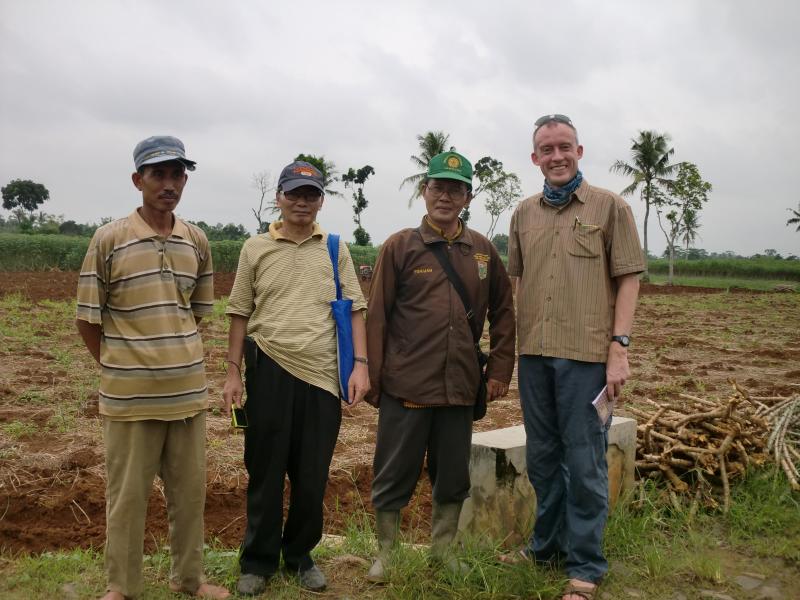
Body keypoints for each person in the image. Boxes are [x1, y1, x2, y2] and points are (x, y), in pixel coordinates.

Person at [75, 136, 230, 599]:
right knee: (127, 498)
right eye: (158, 174)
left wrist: (171, 354)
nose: (169, 184)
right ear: (137, 179)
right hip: (129, 399)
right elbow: (88, 319)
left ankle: (191, 579)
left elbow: (198, 313)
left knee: (189, 496)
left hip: (187, 395)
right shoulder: (109, 238)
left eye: (177, 174)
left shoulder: (196, 240)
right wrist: (120, 364)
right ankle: (121, 587)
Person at [505, 114, 645, 600]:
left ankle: (585, 566)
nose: (557, 155)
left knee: (584, 462)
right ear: (535, 158)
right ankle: (546, 547)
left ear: (579, 151)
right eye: (547, 149)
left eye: (565, 146)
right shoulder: (523, 213)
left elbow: (629, 276)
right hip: (536, 357)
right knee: (543, 460)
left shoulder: (610, 208)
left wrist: (619, 348)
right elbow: (517, 280)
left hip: (587, 359)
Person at [365, 151, 516, 582]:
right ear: (424, 190)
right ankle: (387, 555)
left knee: (452, 474)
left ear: (468, 196)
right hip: (407, 384)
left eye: (455, 188)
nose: (445, 196)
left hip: (460, 387)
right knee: (394, 471)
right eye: (438, 187)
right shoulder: (400, 246)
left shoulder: (483, 251)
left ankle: (443, 552)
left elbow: (504, 311)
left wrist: (501, 370)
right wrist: (374, 381)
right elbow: (377, 316)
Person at [222, 160, 370, 596]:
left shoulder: (335, 248)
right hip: (267, 368)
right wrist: (232, 373)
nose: (302, 202)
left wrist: (360, 364)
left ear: (320, 201)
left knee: (312, 475)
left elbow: (356, 308)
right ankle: (258, 561)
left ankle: (301, 555)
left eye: (311, 195)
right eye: (294, 194)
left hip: (323, 376)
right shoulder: (255, 248)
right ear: (279, 197)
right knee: (264, 472)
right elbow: (239, 313)